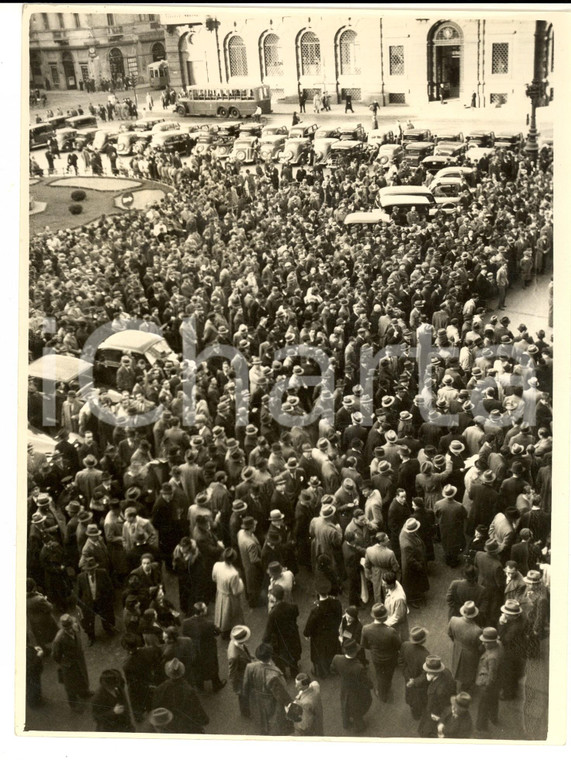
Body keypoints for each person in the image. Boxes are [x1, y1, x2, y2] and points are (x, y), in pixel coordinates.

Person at [242, 643, 292, 736]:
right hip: (269, 702)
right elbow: (281, 694)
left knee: (259, 718)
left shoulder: (250, 667)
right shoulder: (273, 674)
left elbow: (245, 685)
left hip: (255, 700)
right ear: (270, 656)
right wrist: (290, 704)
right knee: (272, 722)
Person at [152, 658, 209, 734]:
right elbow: (196, 708)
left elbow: (156, 707)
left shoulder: (161, 688)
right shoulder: (188, 690)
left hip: (170, 725)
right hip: (186, 725)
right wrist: (204, 719)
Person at [181, 602, 226, 693]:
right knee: (212, 665)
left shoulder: (186, 622)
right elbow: (217, 632)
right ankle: (216, 684)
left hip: (194, 648)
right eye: (205, 608)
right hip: (208, 648)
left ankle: (200, 685)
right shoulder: (208, 624)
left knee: (197, 666)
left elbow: (184, 633)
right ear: (201, 612)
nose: (207, 609)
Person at [360, 602, 401, 702]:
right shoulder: (391, 631)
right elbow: (398, 645)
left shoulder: (366, 629)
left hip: (376, 658)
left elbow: (364, 645)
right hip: (391, 658)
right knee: (389, 674)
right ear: (385, 617)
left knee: (379, 674)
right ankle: (385, 692)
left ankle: (382, 691)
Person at [52, 614, 92, 713]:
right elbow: (56, 656)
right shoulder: (59, 639)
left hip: (79, 659)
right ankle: (73, 705)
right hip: (68, 665)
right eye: (67, 628)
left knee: (82, 675)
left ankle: (84, 692)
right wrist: (65, 663)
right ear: (63, 628)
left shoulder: (76, 627)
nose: (70, 630)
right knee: (71, 686)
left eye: (71, 626)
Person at [331, 640, 373, 734]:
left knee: (345, 704)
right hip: (356, 690)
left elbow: (333, 669)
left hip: (344, 686)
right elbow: (366, 681)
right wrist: (371, 686)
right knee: (357, 708)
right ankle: (359, 727)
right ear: (355, 651)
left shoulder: (337, 658)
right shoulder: (358, 667)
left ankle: (346, 723)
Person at [303, 580, 342, 678]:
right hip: (333, 633)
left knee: (320, 654)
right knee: (333, 650)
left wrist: (306, 634)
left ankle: (321, 672)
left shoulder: (316, 610)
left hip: (319, 637)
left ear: (317, 592)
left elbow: (310, 625)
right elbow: (339, 617)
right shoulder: (336, 603)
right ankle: (334, 668)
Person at [263, 584, 302, 678]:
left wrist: (265, 641)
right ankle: (295, 673)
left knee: (280, 659)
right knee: (293, 655)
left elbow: (267, 633)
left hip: (279, 640)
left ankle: (283, 674)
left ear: (275, 598)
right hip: (292, 635)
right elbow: (296, 614)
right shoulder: (293, 606)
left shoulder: (273, 614)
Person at [76, 556, 116, 645]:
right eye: (88, 570)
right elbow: (79, 592)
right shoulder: (80, 577)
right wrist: (79, 605)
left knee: (106, 615)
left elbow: (109, 587)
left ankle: (108, 628)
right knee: (88, 620)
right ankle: (91, 636)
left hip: (102, 600)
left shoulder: (103, 573)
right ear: (85, 569)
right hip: (88, 603)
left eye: (92, 569)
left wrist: (111, 599)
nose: (90, 571)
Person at [414, 655, 456, 738]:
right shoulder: (446, 671)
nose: (427, 673)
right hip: (447, 699)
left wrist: (434, 713)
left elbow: (433, 704)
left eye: (429, 671)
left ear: (435, 672)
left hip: (436, 710)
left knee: (427, 729)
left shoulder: (439, 690)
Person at [447, 601, 483, 692]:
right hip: (470, 653)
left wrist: (456, 642)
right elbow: (480, 646)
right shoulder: (477, 630)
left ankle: (455, 683)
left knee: (456, 665)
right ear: (474, 614)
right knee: (468, 672)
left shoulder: (453, 620)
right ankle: (465, 689)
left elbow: (449, 633)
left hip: (457, 647)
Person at [212, 547, 246, 639]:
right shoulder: (234, 574)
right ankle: (230, 631)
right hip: (229, 597)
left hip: (220, 593)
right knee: (231, 615)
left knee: (221, 612)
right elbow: (236, 591)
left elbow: (214, 578)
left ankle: (222, 628)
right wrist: (241, 582)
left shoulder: (217, 565)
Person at [475, 627, 504, 733]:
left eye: (485, 642)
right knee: (494, 701)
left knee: (483, 706)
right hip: (497, 683)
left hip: (488, 684)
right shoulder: (499, 643)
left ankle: (480, 726)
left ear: (492, 642)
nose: (483, 644)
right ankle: (494, 718)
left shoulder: (492, 657)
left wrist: (486, 688)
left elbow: (491, 676)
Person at [497, 599, 527, 700]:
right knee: (513, 673)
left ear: (513, 615)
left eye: (507, 613)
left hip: (510, 653)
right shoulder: (520, 619)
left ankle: (508, 694)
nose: (504, 614)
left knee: (508, 673)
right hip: (518, 650)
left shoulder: (515, 628)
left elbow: (504, 639)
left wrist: (501, 623)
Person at [400, 626, 430, 719]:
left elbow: (401, 661)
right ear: (423, 640)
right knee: (420, 698)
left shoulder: (405, 645)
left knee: (410, 696)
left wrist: (407, 677)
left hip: (408, 678)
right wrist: (415, 681)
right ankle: (419, 712)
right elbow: (426, 674)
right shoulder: (426, 655)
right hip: (419, 683)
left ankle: (415, 714)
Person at [399, 517, 429, 608]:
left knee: (415, 583)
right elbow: (410, 560)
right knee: (412, 585)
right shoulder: (407, 545)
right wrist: (419, 566)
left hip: (416, 561)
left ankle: (416, 595)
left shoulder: (405, 532)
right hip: (412, 568)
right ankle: (412, 600)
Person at [227, 625, 253, 717]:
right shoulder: (234, 656)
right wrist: (236, 688)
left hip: (244, 672)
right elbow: (232, 673)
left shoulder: (234, 642)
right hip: (241, 678)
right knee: (243, 696)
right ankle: (245, 712)